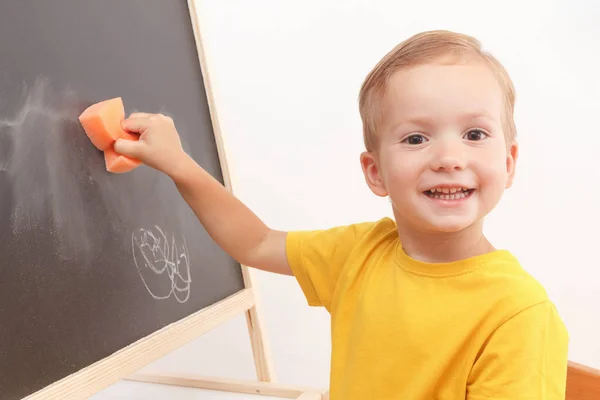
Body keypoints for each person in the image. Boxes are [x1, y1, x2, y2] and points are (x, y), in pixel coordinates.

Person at [114, 30, 569, 399]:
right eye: (415, 139)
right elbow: (255, 242)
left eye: (474, 133)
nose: (449, 156)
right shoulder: (361, 253)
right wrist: (179, 164)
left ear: (508, 163)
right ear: (376, 173)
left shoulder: (519, 315)